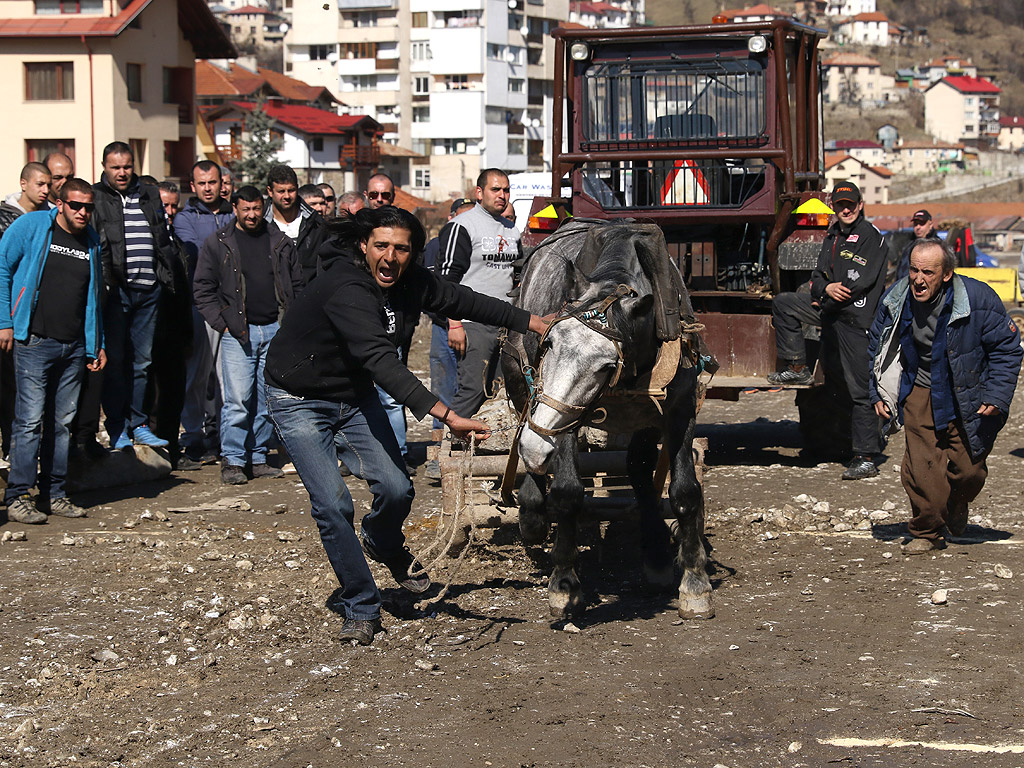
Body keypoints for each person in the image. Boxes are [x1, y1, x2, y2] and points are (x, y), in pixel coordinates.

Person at [264, 205, 551, 646]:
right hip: (298, 400)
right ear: (364, 246)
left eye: (402, 249)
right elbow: (380, 360)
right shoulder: (346, 287)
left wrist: (533, 322)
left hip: (352, 398)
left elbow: (466, 300)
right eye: (382, 246)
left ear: (413, 252)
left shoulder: (412, 281)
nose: (391, 257)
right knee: (333, 504)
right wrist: (448, 415)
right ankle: (360, 605)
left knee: (398, 488)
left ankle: (382, 540)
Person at [870, 240, 1022, 554]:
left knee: (969, 471)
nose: (918, 278)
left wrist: (997, 393)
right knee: (922, 469)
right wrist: (877, 393)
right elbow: (875, 349)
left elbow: (1007, 348)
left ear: (946, 274)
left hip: (966, 392)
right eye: (913, 269)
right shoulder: (896, 299)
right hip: (919, 390)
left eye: (928, 271)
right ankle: (927, 532)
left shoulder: (978, 299)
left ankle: (956, 500)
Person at [0, 178, 105, 524]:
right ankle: (18, 495)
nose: (82, 212)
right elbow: (2, 268)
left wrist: (96, 344)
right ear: (60, 204)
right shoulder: (31, 226)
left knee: (61, 424)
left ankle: (53, 494)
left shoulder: (90, 240)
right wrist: (5, 321)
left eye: (88, 206)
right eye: (75, 205)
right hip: (34, 341)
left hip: (74, 346)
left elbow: (92, 299)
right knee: (29, 422)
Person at [766, 180, 887, 480]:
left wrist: (829, 291)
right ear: (834, 206)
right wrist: (825, 288)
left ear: (860, 206)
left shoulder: (871, 238)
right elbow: (818, 276)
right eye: (840, 204)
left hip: (854, 321)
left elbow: (856, 283)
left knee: (859, 390)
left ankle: (865, 456)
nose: (845, 209)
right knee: (785, 303)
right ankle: (796, 367)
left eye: (851, 204)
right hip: (830, 310)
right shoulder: (832, 235)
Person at [193, 185, 303, 485]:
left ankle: (257, 457)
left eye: (256, 209)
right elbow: (203, 288)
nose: (252, 215)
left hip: (274, 329)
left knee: (266, 399)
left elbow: (297, 284)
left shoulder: (279, 241)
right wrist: (222, 323)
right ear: (235, 209)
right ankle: (233, 459)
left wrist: (290, 324)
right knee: (238, 400)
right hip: (238, 332)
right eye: (246, 209)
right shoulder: (218, 243)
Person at [90, 141, 177, 450]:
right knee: (115, 362)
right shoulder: (96, 197)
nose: (123, 172)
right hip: (116, 292)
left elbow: (161, 239)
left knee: (142, 362)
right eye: (116, 167)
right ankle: (116, 427)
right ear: (104, 168)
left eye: (127, 166)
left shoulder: (148, 193)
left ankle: (138, 424)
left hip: (148, 291)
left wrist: (164, 276)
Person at [437, 169, 520, 419]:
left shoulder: (511, 230)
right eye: (496, 190)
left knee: (501, 391)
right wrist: (454, 323)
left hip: (506, 322)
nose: (502, 195)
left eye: (506, 190)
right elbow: (445, 283)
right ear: (479, 193)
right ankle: (453, 448)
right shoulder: (461, 226)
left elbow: (517, 276)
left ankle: (491, 447)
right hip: (473, 322)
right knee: (473, 389)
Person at [174, 161, 235, 465]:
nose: (208, 188)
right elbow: (201, 255)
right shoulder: (185, 219)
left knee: (228, 379)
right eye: (202, 183)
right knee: (197, 376)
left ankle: (226, 440)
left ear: (221, 183)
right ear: (193, 185)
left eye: (212, 182)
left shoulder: (233, 214)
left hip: (232, 307)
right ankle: (193, 436)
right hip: (199, 306)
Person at [422, 197, 475, 480]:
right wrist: (449, 321)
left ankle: (467, 445)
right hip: (444, 326)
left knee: (472, 386)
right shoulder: (435, 247)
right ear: (451, 218)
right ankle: (439, 449)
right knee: (443, 387)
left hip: (477, 324)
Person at [146, 181, 193, 467]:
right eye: (165, 205)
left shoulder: (178, 244)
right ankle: (155, 454)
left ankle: (172, 449)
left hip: (176, 330)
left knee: (174, 393)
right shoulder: (145, 240)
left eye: (175, 205)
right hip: (150, 330)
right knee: (152, 396)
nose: (170, 211)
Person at [264, 164, 326, 283]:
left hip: (311, 294)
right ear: (270, 191)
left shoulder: (315, 223)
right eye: (281, 191)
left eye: (291, 190)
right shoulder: (262, 225)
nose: (287, 196)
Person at [0, 163, 51, 237]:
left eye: (49, 185)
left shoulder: (52, 217)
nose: (46, 190)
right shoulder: (3, 219)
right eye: (40, 184)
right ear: (23, 184)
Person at [895, 209, 941, 282]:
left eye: (922, 224)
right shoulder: (909, 244)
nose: (918, 227)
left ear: (930, 224)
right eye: (916, 224)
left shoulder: (938, 247)